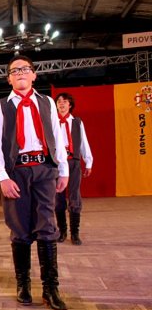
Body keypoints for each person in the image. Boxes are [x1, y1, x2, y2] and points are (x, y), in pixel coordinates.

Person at [0, 55, 69, 310]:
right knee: (20, 229)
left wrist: (63, 169)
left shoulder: (46, 102)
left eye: (25, 69)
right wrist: (3, 177)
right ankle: (23, 284)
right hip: (17, 173)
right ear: (9, 79)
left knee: (47, 227)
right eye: (15, 71)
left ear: (34, 75)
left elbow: (57, 137)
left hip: (44, 169)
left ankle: (50, 289)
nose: (20, 73)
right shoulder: (1, 107)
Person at [54, 93, 93, 245]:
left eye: (65, 101)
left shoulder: (76, 122)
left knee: (74, 197)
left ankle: (75, 233)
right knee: (58, 198)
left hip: (73, 162)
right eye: (59, 101)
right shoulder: (52, 121)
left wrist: (88, 162)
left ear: (70, 105)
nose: (62, 104)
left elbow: (83, 142)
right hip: (57, 164)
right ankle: (62, 231)